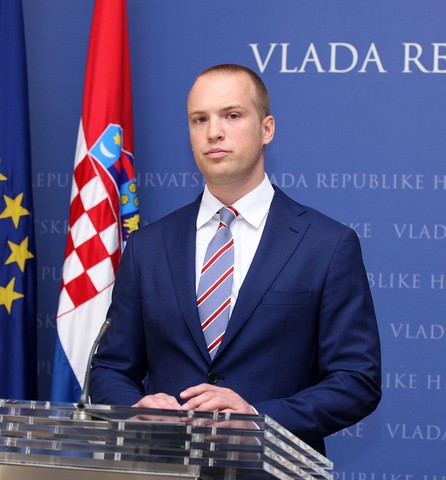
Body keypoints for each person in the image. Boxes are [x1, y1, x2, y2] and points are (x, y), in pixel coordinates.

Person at [90, 64, 381, 455]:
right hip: (165, 466)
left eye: (232, 115)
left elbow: (357, 381)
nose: (213, 132)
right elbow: (110, 368)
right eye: (200, 119)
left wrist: (257, 418)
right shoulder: (147, 246)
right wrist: (134, 407)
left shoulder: (326, 245)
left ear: (267, 129)